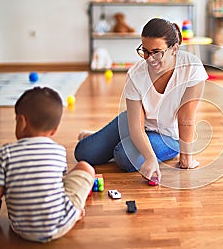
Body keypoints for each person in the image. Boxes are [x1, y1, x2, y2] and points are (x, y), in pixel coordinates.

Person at [74, 18, 208, 183]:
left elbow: (186, 118)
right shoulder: (135, 74)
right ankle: (99, 137)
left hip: (167, 135)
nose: (149, 59)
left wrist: (186, 158)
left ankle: (116, 141)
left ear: (174, 49)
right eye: (145, 51)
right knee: (83, 153)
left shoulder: (192, 68)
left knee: (123, 156)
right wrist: (150, 158)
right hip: (136, 122)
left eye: (156, 52)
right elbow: (136, 126)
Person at [0, 87, 95, 243]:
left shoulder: (4, 153)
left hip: (21, 228)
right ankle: (74, 214)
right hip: (60, 225)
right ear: (54, 130)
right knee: (85, 167)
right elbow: (61, 185)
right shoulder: (59, 151)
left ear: (21, 121)